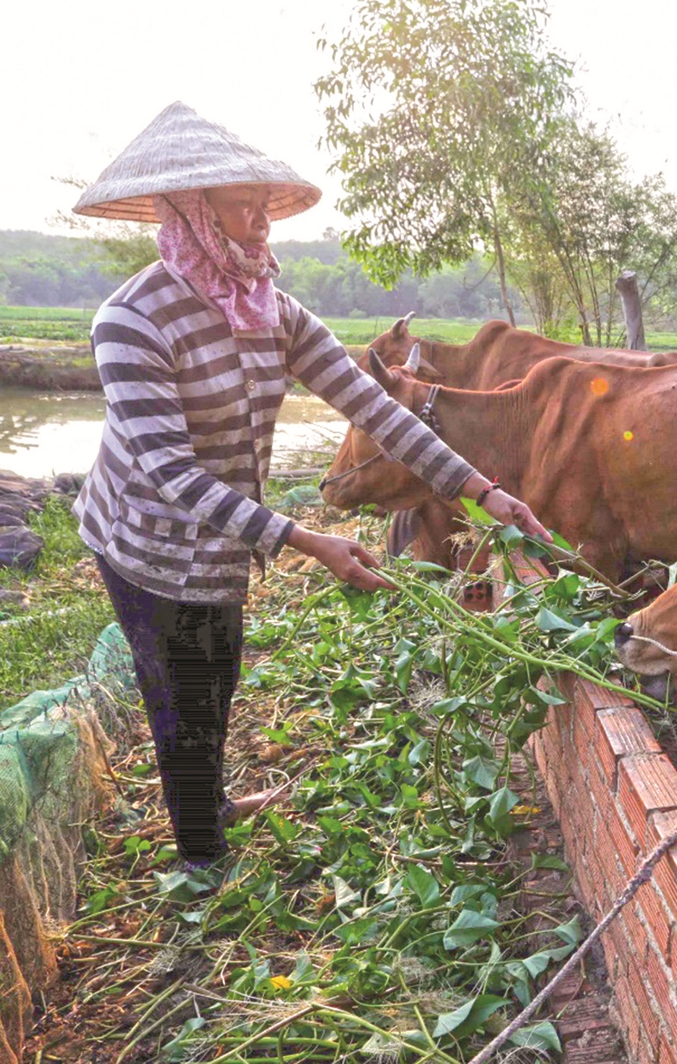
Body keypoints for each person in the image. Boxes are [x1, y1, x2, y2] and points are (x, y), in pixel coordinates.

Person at [70, 101, 549, 869]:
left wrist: (482, 491)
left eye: (264, 206)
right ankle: (202, 860)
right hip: (145, 540)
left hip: (228, 534)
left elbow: (376, 410)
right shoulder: (130, 321)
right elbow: (167, 473)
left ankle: (214, 802)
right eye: (240, 206)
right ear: (192, 212)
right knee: (179, 696)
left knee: (220, 666)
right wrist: (303, 540)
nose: (261, 223)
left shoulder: (273, 310)